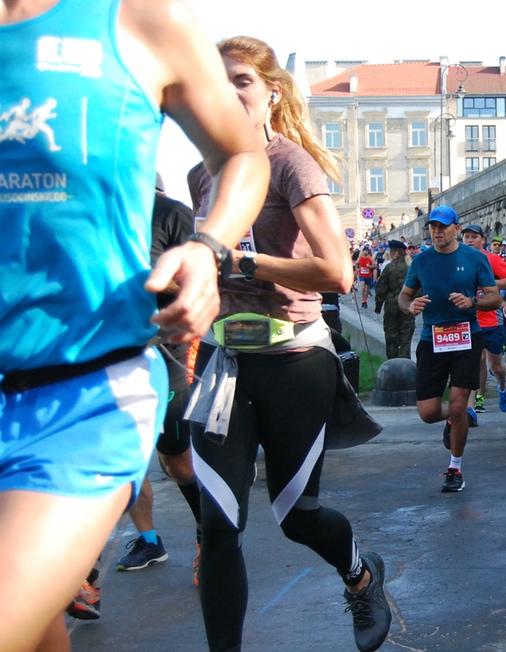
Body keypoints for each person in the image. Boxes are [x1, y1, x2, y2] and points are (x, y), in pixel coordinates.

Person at [0, 2, 271, 650]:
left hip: (83, 391)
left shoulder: (141, 19)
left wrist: (207, 250)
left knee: (185, 462)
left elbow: (242, 153)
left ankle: (199, 532)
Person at [185, 36, 389, 652]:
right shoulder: (202, 175)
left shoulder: (291, 164)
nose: (228, 93)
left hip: (295, 358)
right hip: (225, 363)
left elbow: (338, 273)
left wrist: (245, 264)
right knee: (218, 525)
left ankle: (361, 576)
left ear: (272, 92)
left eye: (241, 80)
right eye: (217, 82)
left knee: (296, 516)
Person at [116, 178, 204, 582]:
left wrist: (145, 276)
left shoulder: (172, 215)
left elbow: (198, 281)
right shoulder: (104, 212)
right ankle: (149, 540)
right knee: (128, 460)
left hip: (168, 351)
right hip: (115, 353)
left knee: (176, 462)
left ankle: (208, 534)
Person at [398, 206, 501, 492]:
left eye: (443, 226)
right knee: (428, 412)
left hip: (466, 338)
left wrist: (473, 302)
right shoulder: (421, 261)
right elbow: (404, 296)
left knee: (458, 403)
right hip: (432, 339)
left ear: (456, 228)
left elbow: (494, 297)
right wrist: (410, 306)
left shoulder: (474, 258)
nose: (437, 231)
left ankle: (455, 467)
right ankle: (456, 418)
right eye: (433, 226)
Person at [460, 224, 506, 415]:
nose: (470, 240)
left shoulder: (491, 259)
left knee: (495, 366)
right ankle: (474, 403)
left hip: (491, 319)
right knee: (476, 360)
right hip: (469, 320)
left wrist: (488, 283)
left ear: (483, 240)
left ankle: (502, 385)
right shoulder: (458, 259)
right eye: (466, 237)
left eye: (474, 237)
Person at [374, 240, 416, 359]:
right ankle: (405, 364)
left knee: (391, 338)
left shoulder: (389, 268)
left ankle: (393, 364)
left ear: (396, 253)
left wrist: (378, 306)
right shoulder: (411, 267)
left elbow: (381, 289)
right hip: (407, 307)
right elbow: (419, 288)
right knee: (405, 339)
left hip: (391, 307)